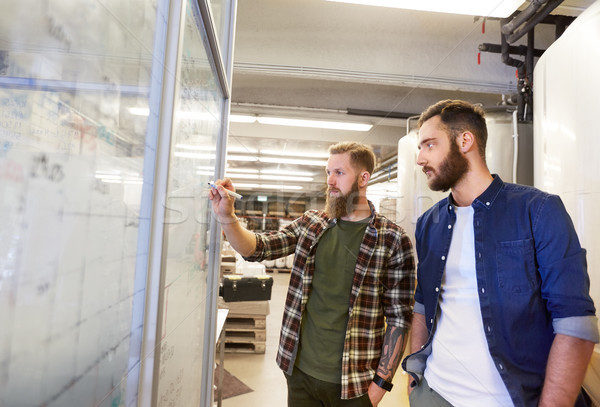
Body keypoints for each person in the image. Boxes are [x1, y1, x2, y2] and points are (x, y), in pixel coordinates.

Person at [402, 99, 599, 407]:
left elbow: (575, 325)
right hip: (435, 394)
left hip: (509, 399)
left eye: (429, 145)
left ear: (465, 140)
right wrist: (416, 380)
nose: (419, 159)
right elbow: (422, 303)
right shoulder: (430, 222)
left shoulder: (538, 211)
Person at [209, 141, 416, 406]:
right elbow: (258, 248)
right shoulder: (311, 224)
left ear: (364, 178)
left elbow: (399, 318)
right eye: (327, 172)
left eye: (339, 173)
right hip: (299, 374)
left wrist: (378, 388)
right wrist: (228, 218)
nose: (330, 180)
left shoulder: (393, 240)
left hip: (354, 384)